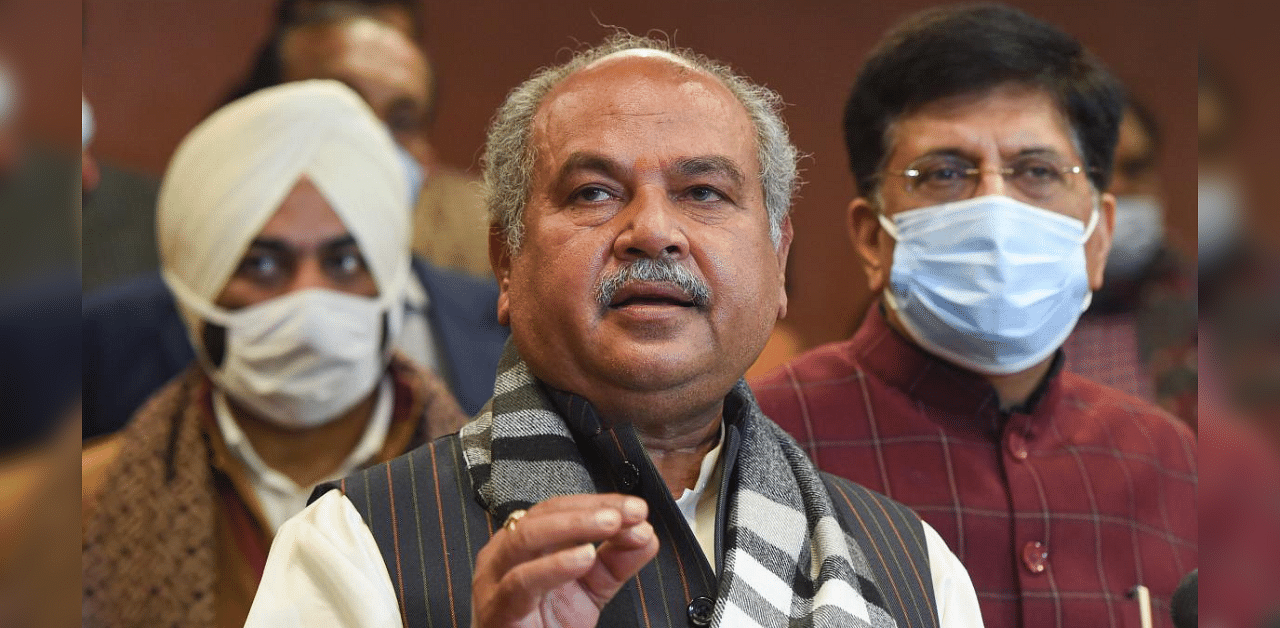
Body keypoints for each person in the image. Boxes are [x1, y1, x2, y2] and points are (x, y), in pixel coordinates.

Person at [245, 35, 984, 628]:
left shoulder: (914, 567)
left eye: (704, 192)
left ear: (779, 259)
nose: (654, 231)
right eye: (594, 192)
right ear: (507, 263)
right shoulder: (357, 546)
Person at [751, 6, 1196, 628]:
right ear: (872, 239)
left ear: (1098, 238)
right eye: (945, 173)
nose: (994, 206)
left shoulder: (1168, 462)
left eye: (1037, 172)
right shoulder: (759, 443)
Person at [81, 81, 472, 628]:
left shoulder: (495, 496)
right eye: (263, 266)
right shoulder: (83, 510)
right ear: (197, 289)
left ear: (389, 276)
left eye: (344, 262)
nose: (308, 309)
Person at [1061, 101, 1197, 424]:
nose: (1117, 186)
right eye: (1096, 171)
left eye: (1134, 168)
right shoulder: (1011, 319)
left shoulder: (1207, 306)